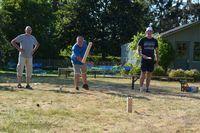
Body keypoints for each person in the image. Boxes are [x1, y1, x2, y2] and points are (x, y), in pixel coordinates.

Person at [137, 26, 158, 92]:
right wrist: (142, 55)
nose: (149, 32)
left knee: (149, 74)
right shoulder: (142, 40)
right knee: (143, 73)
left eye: (150, 31)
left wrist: (157, 61)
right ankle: (141, 88)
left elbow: (157, 51)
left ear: (152, 32)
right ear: (146, 32)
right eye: (148, 31)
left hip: (151, 60)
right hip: (144, 59)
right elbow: (138, 50)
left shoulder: (155, 40)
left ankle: (147, 89)